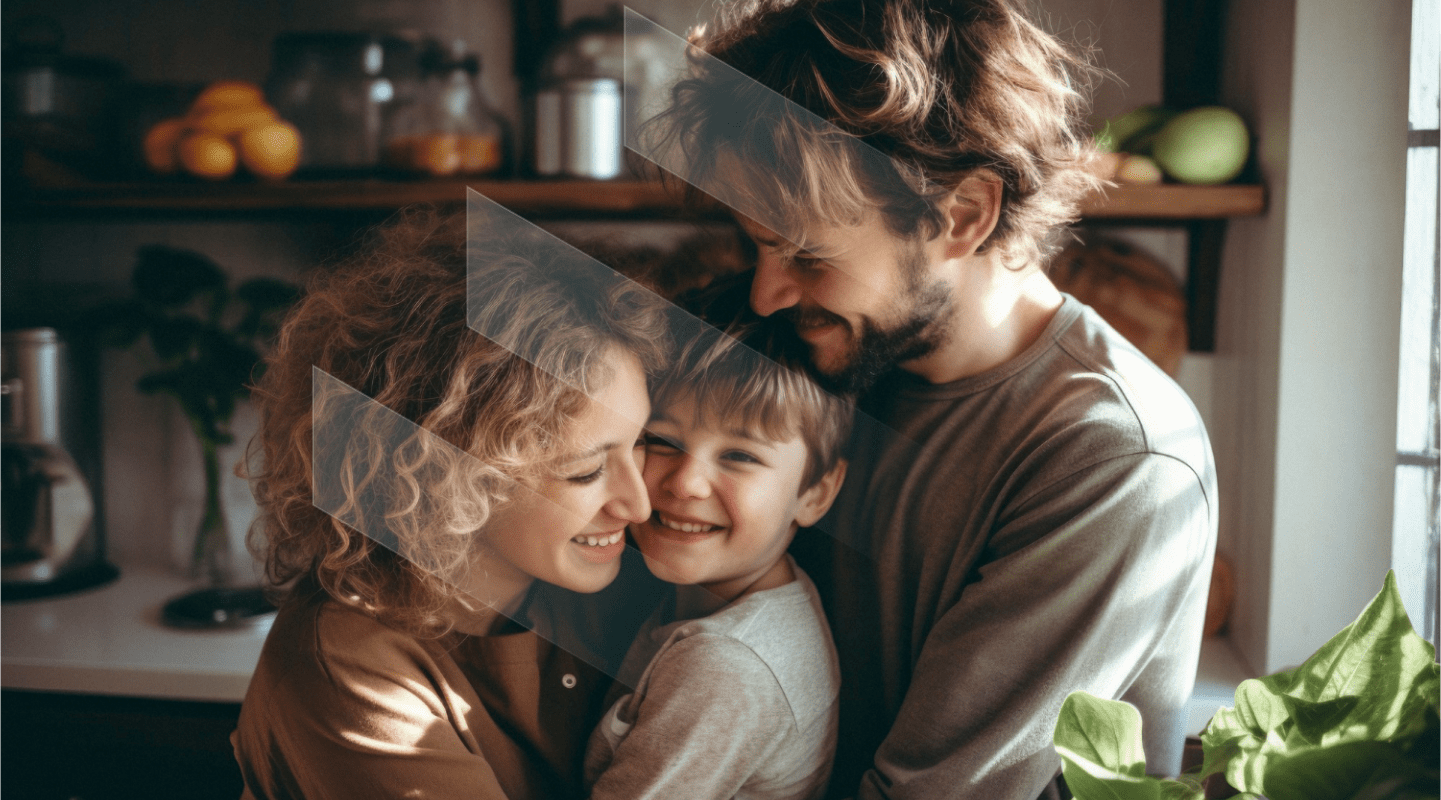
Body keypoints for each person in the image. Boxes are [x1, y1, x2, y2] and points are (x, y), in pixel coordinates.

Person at [650, 1, 1219, 797]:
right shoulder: (826, 358)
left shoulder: (1114, 457)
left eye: (807, 255)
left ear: (961, 215)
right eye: (756, 244)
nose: (769, 292)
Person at [231, 209, 670, 800]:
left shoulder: (583, 586)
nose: (639, 505)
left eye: (641, 443)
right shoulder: (346, 670)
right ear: (447, 475)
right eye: (585, 471)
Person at [583, 286, 850, 800]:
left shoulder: (726, 668)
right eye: (662, 441)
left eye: (741, 457)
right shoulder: (742, 594)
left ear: (814, 493)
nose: (686, 484)